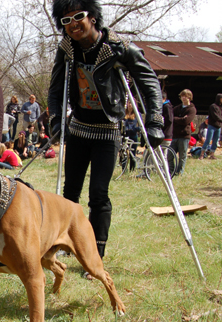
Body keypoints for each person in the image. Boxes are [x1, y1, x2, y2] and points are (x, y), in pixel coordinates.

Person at [48, 0, 164, 258]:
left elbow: (150, 83)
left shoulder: (119, 48)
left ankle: (95, 255)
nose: (73, 25)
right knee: (70, 193)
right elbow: (55, 89)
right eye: (65, 21)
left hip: (107, 131)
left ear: (92, 16)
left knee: (98, 194)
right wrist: (56, 119)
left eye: (78, 16)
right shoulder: (66, 49)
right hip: (78, 129)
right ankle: (67, 243)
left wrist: (155, 120)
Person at [170, 89, 196, 176]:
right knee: (170, 155)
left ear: (189, 97)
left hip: (184, 136)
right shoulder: (177, 108)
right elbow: (171, 118)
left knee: (182, 156)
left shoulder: (192, 109)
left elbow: (186, 121)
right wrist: (181, 119)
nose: (183, 98)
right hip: (174, 135)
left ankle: (179, 173)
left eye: (185, 96)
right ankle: (171, 171)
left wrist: (177, 119)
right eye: (182, 96)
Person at [200, 93, 222, 160]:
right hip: (212, 126)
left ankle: (212, 155)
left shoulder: (220, 107)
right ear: (219, 99)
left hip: (218, 127)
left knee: (215, 141)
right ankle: (202, 155)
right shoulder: (213, 106)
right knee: (208, 140)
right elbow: (215, 116)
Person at [123, 100, 140, 170]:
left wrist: (134, 129)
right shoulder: (123, 114)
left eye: (131, 103)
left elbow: (140, 126)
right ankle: (123, 169)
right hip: (125, 136)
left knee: (133, 154)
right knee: (124, 154)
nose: (130, 105)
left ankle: (132, 169)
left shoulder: (137, 114)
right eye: (129, 103)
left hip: (133, 136)